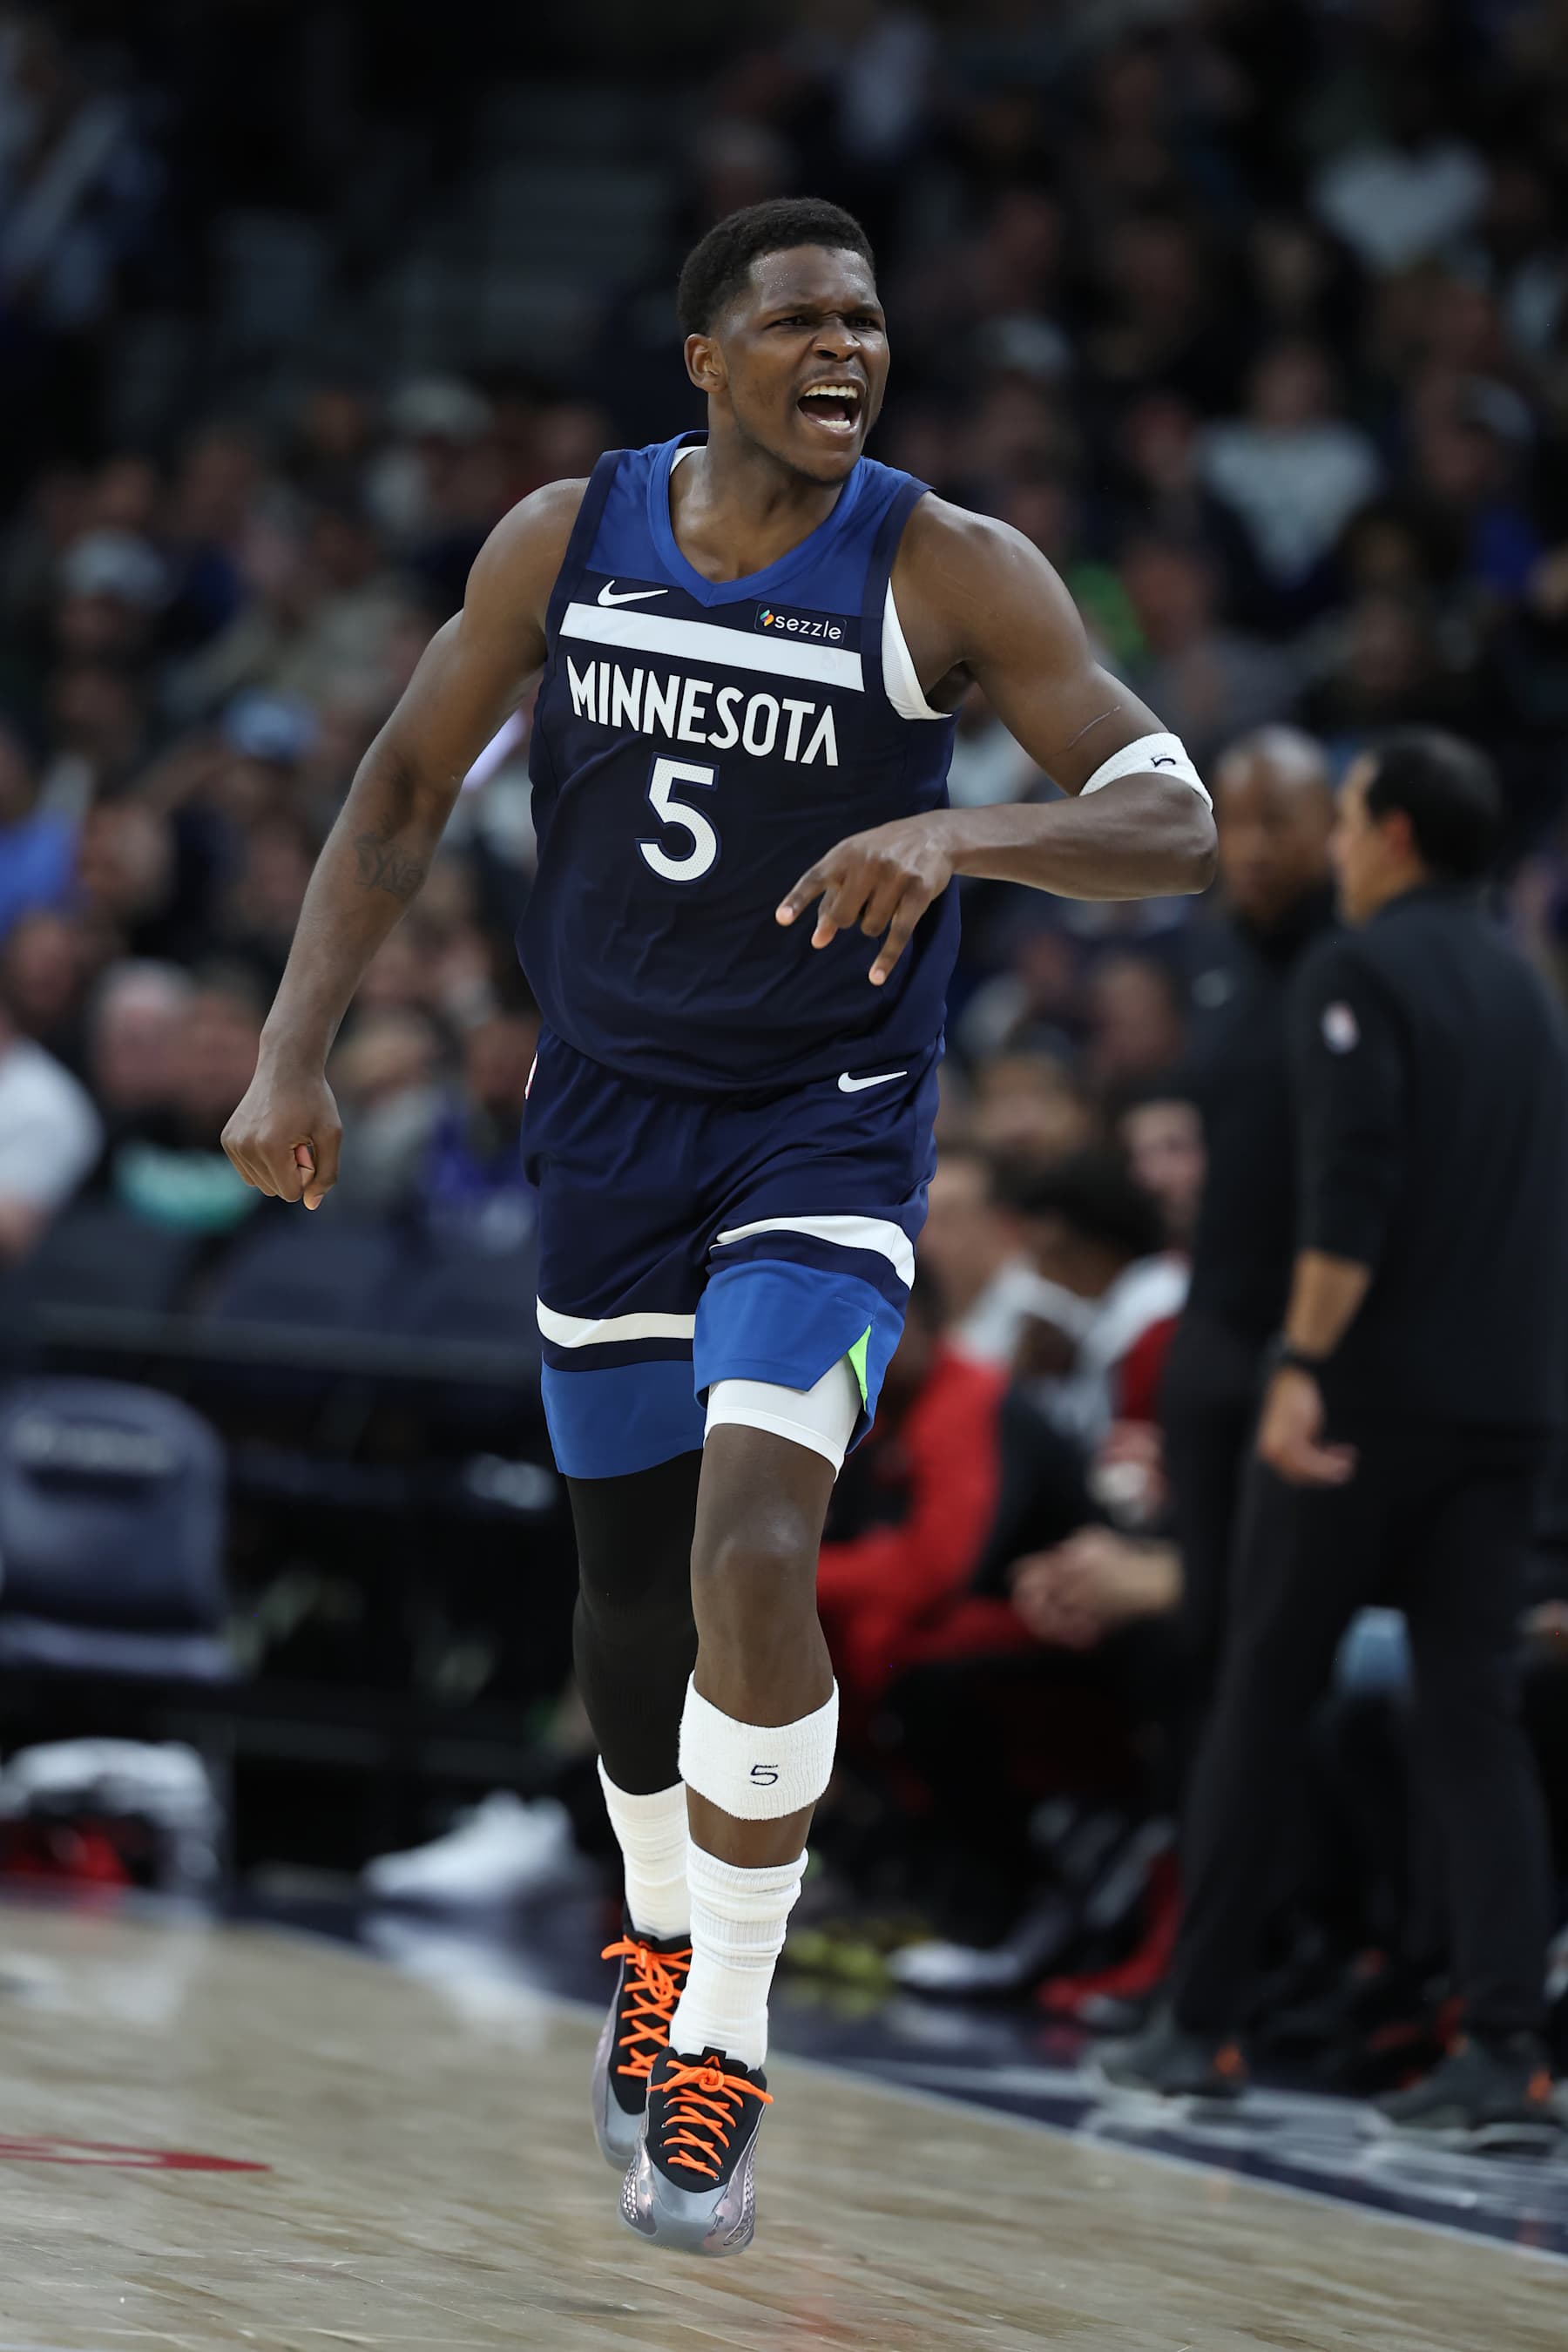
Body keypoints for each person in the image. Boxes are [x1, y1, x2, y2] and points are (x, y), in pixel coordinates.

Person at [220, 196, 1215, 2254]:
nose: (845, 346)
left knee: (755, 1536)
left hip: (822, 1132)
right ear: (705, 358)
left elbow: (1175, 816)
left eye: (866, 317)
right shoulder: (563, 538)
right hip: (607, 1124)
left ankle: (728, 2037)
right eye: (799, 320)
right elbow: (399, 791)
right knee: (625, 1609)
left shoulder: (948, 564)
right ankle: (661, 1930)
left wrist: (966, 824)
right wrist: (291, 1055)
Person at [1107, 729, 1567, 2149]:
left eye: (1354, 819)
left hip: (1363, 1412)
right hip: (1509, 1412)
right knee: (1473, 1716)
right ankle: (1508, 2047)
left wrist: (1301, 1364)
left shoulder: (1354, 971)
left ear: (1396, 837)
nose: (1343, 847)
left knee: (1261, 1692)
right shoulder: (1528, 988)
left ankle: (1200, 2022)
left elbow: (1351, 1193)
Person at [1159, 727, 1335, 1764]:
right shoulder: (1213, 956)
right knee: (1204, 1632)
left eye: (1279, 821)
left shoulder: (1359, 961)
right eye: (1236, 822)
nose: (1254, 847)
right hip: (1216, 1328)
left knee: (1282, 1641)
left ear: (1334, 826)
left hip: (1313, 1342)